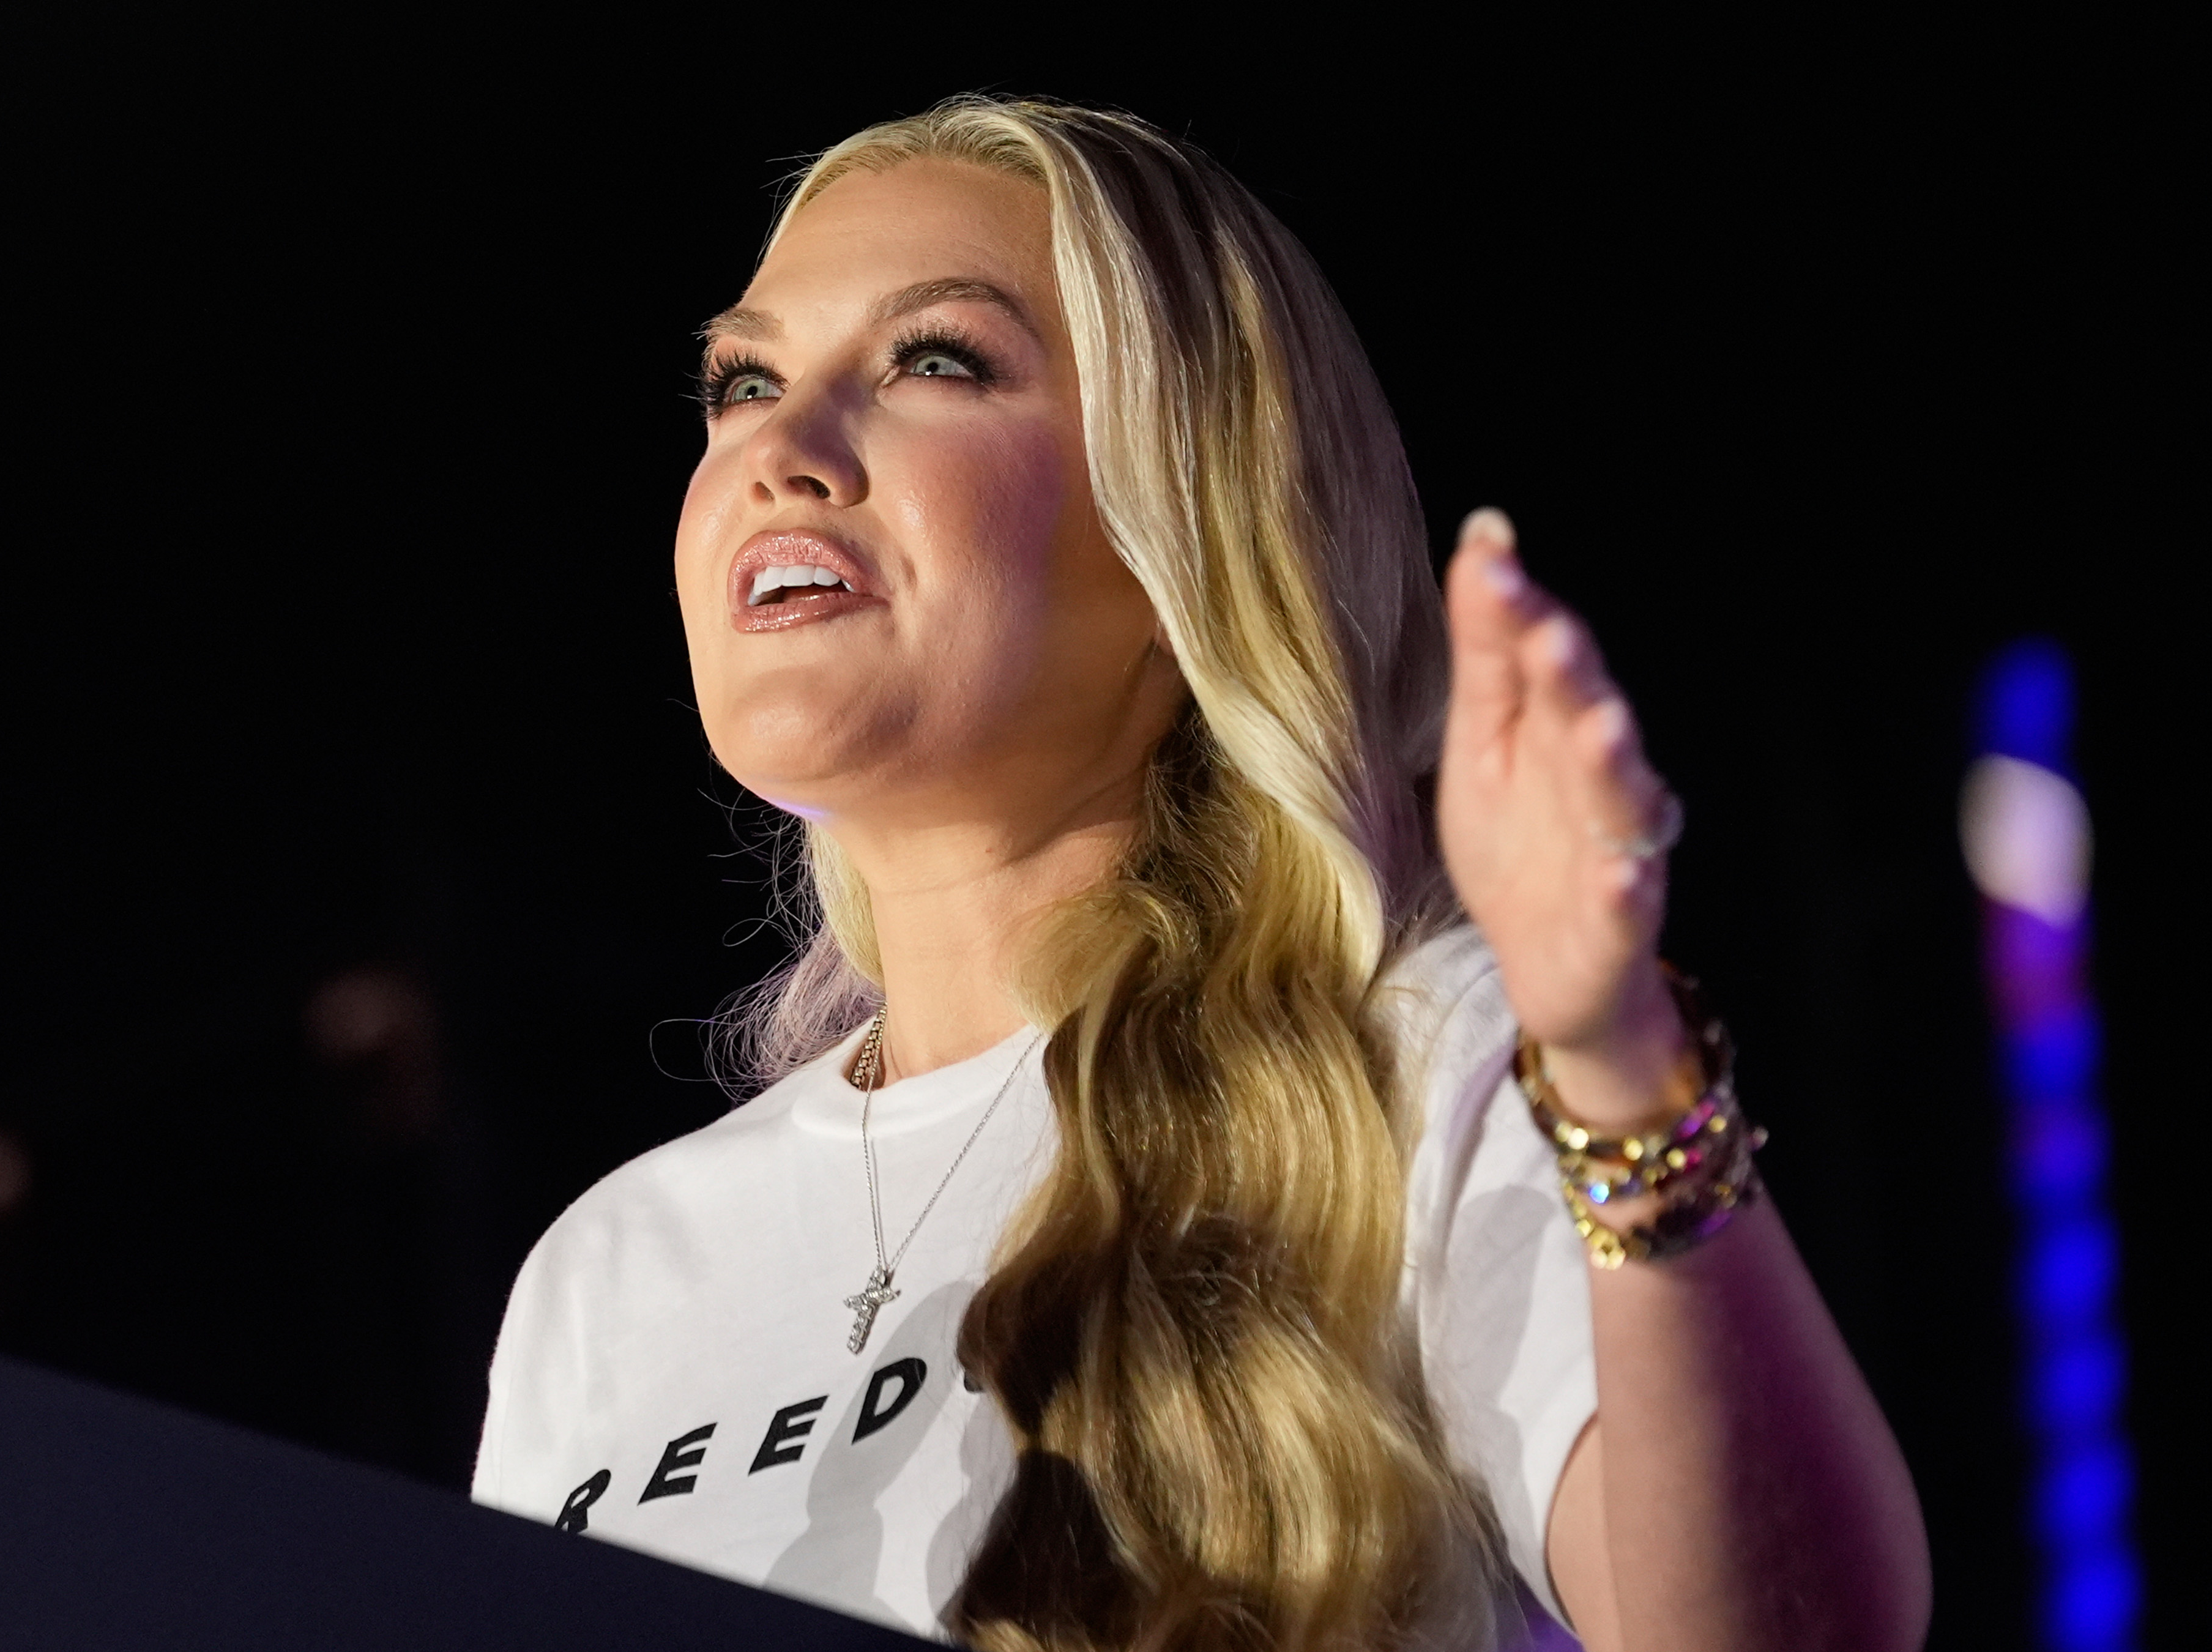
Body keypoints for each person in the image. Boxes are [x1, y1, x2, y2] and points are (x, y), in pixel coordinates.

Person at [471, 97, 1929, 1652]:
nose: (781, 450)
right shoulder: (607, 1278)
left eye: (934, 362)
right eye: (743, 382)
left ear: (1183, 523)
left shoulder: (1416, 1069)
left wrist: (1625, 1069)